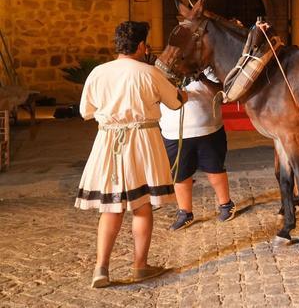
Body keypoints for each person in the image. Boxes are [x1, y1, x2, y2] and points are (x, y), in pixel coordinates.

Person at [75, 21, 187, 288]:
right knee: (141, 205)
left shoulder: (98, 73)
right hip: (141, 142)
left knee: (111, 208)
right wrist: (182, 93)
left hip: (108, 141)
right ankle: (140, 266)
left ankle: (101, 268)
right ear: (140, 46)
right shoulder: (149, 72)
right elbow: (175, 101)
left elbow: (85, 111)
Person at [159, 67, 236, 231]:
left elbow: (222, 94)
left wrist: (201, 77)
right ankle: (185, 213)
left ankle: (226, 204)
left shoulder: (208, 70)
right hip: (174, 133)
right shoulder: (160, 71)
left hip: (209, 130)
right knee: (180, 175)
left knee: (215, 170)